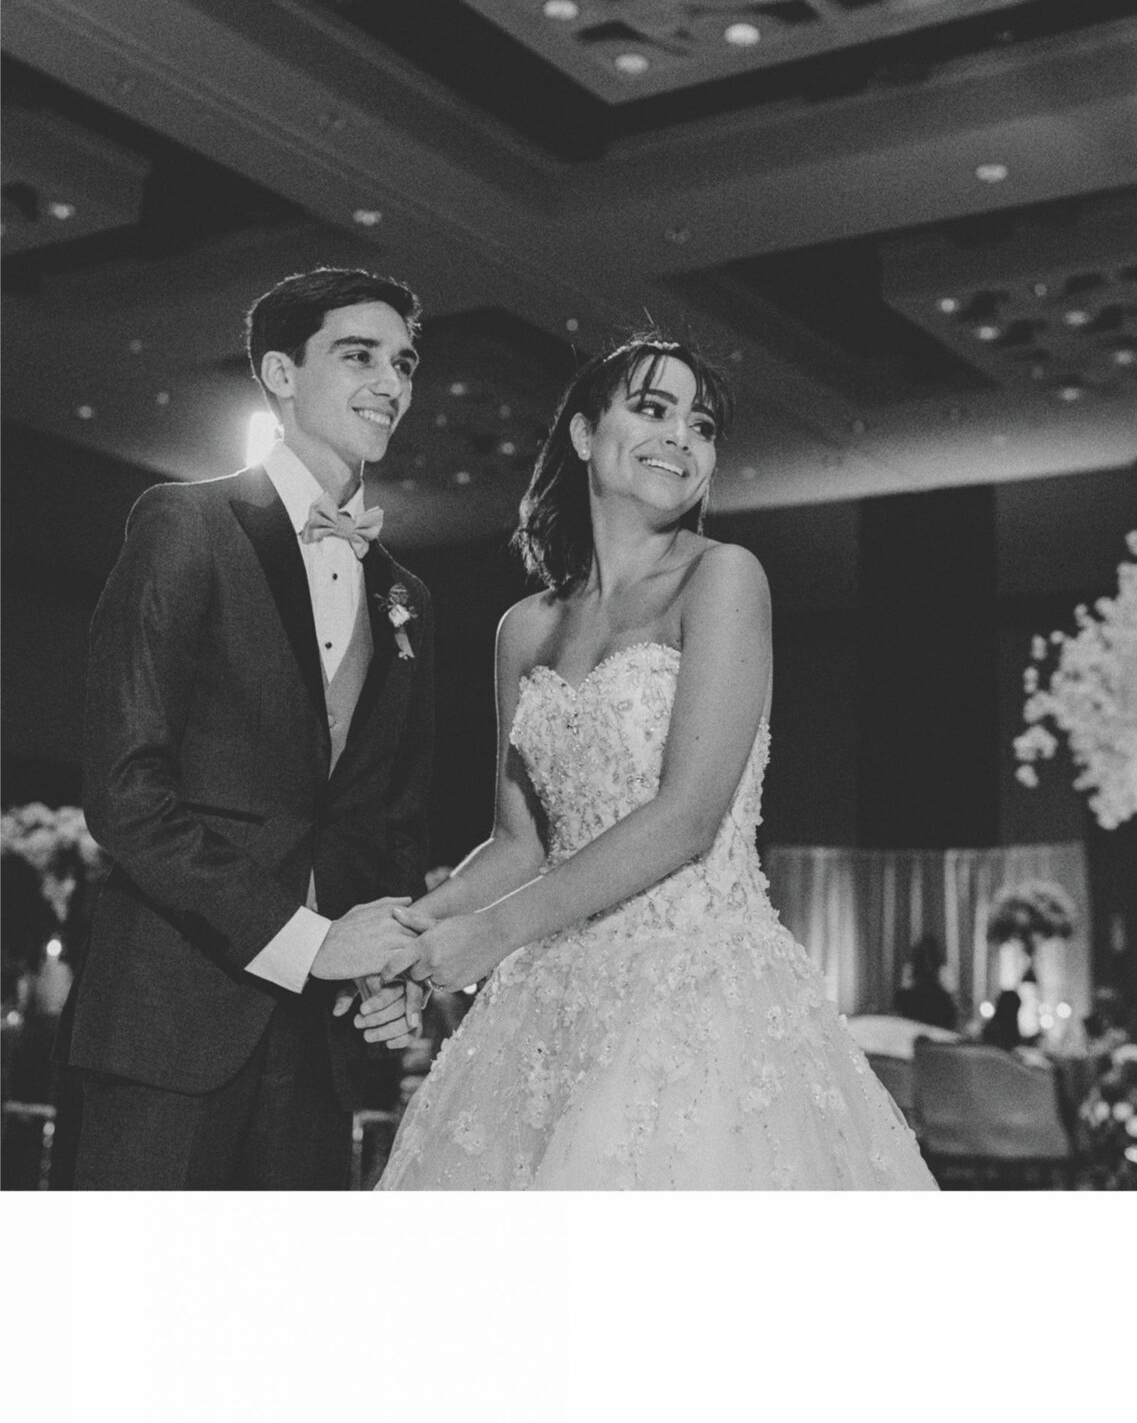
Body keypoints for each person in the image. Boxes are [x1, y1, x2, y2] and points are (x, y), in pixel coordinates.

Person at [360, 333, 936, 1190]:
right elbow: (519, 844)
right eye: (653, 409)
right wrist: (413, 935)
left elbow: (687, 817)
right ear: (583, 433)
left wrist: (490, 937)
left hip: (693, 995)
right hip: (550, 1003)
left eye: (701, 426)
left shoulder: (724, 578)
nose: (680, 437)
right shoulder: (524, 627)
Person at [53, 268, 435, 1189]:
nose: (390, 382)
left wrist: (391, 967)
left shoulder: (406, 595)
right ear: (280, 373)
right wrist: (307, 941)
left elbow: (385, 819)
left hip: (321, 1046)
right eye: (359, 356)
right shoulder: (185, 524)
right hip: (170, 1023)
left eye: (404, 363)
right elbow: (126, 792)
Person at [893, 933, 958, 1032]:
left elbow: (903, 993)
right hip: (939, 1020)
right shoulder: (944, 973)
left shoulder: (909, 971)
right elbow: (953, 996)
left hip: (914, 1016)